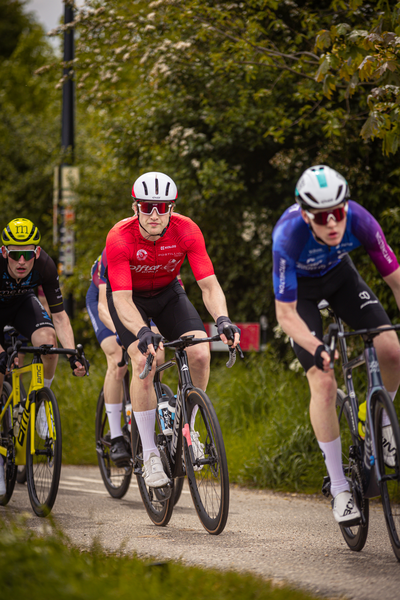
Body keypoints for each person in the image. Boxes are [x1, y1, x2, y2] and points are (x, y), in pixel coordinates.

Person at [272, 165, 400, 525]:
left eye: (338, 213)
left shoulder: (361, 220)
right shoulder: (287, 236)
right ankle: (341, 487)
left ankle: (372, 419)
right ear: (305, 213)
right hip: (301, 297)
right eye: (322, 216)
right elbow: (284, 315)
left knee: (392, 349)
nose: (332, 224)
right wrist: (315, 347)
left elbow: (396, 281)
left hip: (341, 279)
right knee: (324, 382)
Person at [105, 171, 240, 488]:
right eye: (147, 206)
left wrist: (222, 318)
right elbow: (122, 299)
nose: (155, 214)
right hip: (131, 301)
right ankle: (149, 454)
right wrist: (141, 330)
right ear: (135, 207)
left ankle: (188, 428)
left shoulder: (186, 230)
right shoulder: (119, 237)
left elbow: (209, 285)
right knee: (143, 361)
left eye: (162, 207)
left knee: (200, 354)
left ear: (171, 208)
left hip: (168, 294)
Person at [0, 218, 87, 495]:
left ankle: (40, 402)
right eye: (16, 254)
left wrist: (72, 354)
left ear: (37, 252)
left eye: (28, 253)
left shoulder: (46, 265)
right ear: (4, 252)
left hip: (24, 305)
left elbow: (60, 317)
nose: (22, 260)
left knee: (48, 343)